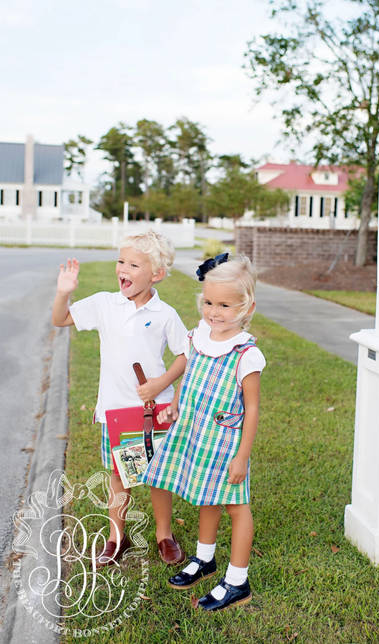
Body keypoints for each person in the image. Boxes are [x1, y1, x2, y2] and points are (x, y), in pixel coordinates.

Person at [52, 230, 188, 569]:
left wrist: (161, 383)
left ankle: (164, 535)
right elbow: (60, 319)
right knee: (120, 476)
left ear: (156, 274)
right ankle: (117, 537)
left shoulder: (165, 314)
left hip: (154, 409)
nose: (123, 269)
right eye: (121, 261)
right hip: (116, 410)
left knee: (158, 475)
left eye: (134, 264)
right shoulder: (103, 304)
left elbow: (187, 354)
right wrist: (63, 293)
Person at [142, 253, 266, 612]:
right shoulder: (198, 335)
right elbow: (191, 372)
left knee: (236, 506)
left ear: (247, 306)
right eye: (209, 302)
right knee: (205, 497)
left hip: (226, 442)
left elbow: (253, 408)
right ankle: (205, 559)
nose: (215, 311)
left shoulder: (247, 354)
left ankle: (237, 582)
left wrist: (242, 455)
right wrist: (177, 404)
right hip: (196, 433)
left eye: (225, 305)